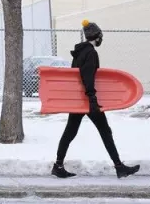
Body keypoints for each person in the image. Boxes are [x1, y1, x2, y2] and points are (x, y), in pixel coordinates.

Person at [52, 20, 139, 180]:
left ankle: (58, 166)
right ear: (96, 37)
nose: (101, 39)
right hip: (88, 100)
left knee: (69, 133)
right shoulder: (91, 53)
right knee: (105, 131)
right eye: (101, 36)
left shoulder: (80, 52)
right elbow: (88, 77)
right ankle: (120, 168)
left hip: (79, 100)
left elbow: (76, 76)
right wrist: (92, 99)